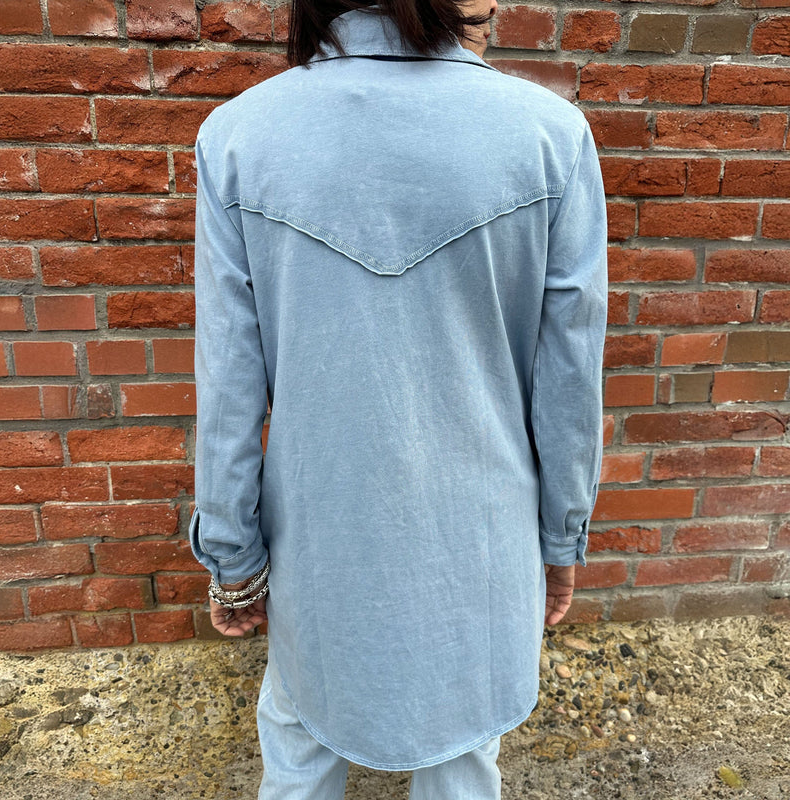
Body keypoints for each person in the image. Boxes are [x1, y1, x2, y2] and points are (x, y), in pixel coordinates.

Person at [190, 0, 607, 797]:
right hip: (482, 545)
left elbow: (229, 383)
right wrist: (560, 539)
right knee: (463, 755)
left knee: (300, 742)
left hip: (319, 542)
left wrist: (233, 557)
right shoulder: (550, 137)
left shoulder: (240, 137)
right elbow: (569, 378)